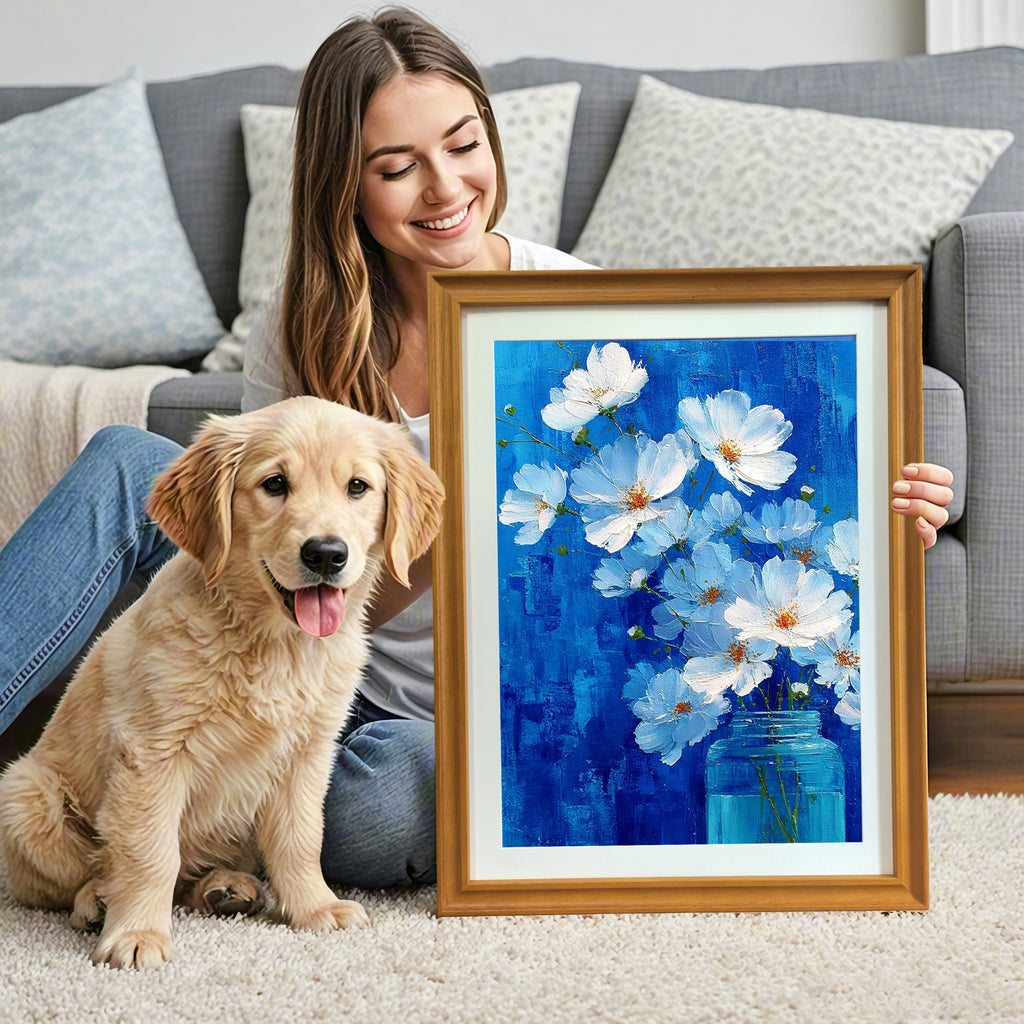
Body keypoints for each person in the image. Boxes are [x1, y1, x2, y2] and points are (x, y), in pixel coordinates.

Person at [0, 8, 955, 889]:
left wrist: (871, 517)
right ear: (345, 183)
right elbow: (272, 544)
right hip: (303, 658)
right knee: (128, 460)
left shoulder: (578, 318)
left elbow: (699, 512)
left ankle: (225, 846)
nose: (447, 187)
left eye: (464, 146)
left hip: (426, 719)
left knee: (374, 817)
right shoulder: (304, 323)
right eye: (397, 165)